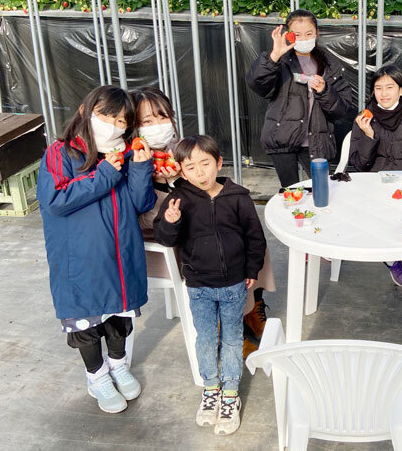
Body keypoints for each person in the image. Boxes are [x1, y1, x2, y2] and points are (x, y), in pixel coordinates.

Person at [37, 85, 155, 414]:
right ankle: (97, 376)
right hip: (81, 259)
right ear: (84, 111)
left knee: (119, 316)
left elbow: (140, 203)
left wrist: (141, 168)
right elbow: (55, 200)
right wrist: (104, 173)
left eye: (121, 120)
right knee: (86, 322)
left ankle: (118, 364)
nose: (112, 125)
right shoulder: (60, 153)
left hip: (120, 254)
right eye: (105, 115)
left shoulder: (125, 154)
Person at [132, 87, 273, 358]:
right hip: (163, 235)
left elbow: (204, 182)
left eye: (162, 117)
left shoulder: (178, 148)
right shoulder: (134, 156)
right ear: (135, 126)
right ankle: (227, 323)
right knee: (219, 233)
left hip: (194, 219)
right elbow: (140, 208)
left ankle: (251, 308)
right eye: (147, 121)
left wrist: (182, 176)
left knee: (247, 234)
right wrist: (157, 178)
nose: (157, 125)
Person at [154, 135, 267, 436]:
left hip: (233, 284)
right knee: (205, 338)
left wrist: (251, 269)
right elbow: (165, 238)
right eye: (190, 167)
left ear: (218, 162)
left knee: (231, 338)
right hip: (199, 285)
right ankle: (211, 388)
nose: (200, 173)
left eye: (205, 163)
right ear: (181, 170)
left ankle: (230, 394)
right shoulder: (178, 200)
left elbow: (255, 237)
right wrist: (170, 221)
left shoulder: (238, 197)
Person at [246, 8, 356, 187]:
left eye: (309, 33)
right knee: (291, 192)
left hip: (316, 141)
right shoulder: (280, 61)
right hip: (283, 137)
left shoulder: (329, 64)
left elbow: (341, 109)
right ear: (289, 35)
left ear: (317, 33)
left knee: (321, 188)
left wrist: (324, 91)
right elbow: (257, 84)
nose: (304, 39)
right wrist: (274, 56)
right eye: (297, 34)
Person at [349, 64, 402, 286]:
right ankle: (392, 260)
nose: (383, 93)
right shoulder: (364, 119)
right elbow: (359, 165)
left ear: (401, 90)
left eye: (390, 87)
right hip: (373, 185)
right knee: (381, 214)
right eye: (378, 88)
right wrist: (369, 135)